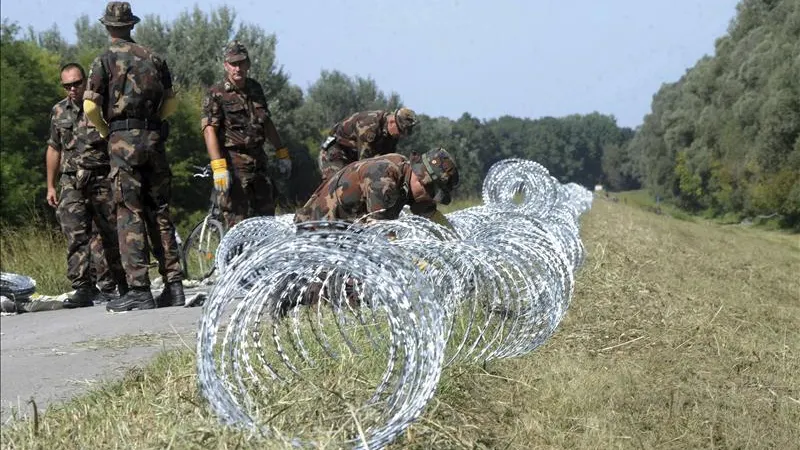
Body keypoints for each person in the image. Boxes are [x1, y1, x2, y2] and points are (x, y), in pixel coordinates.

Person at [83, 1, 185, 311]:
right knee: (160, 210)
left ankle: (140, 289)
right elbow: (171, 102)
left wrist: (104, 131)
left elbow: (89, 106)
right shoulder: (154, 58)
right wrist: (156, 123)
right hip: (153, 139)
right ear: (131, 25)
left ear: (107, 27)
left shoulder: (103, 60)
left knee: (129, 211)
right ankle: (174, 285)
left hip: (122, 139)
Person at [45, 62, 128, 308]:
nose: (72, 89)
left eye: (77, 83)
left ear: (86, 82)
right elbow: (53, 147)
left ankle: (121, 284)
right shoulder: (59, 112)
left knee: (111, 232)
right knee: (75, 234)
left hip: (101, 176)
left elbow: (117, 142)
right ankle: (82, 288)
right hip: (71, 180)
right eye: (67, 85)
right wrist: (50, 185)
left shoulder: (100, 107)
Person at [201, 40, 291, 228]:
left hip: (259, 161)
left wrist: (282, 152)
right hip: (234, 164)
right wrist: (218, 166)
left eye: (241, 63)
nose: (237, 68)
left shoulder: (255, 88)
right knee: (237, 221)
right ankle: (233, 257)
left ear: (248, 64)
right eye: (233, 64)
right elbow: (209, 130)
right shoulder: (216, 93)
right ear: (226, 65)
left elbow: (266, 121)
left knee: (266, 220)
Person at [294, 147, 459, 228]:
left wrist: (457, 250)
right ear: (420, 178)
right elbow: (380, 233)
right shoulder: (385, 175)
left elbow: (432, 217)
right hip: (319, 230)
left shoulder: (410, 183)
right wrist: (417, 265)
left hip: (345, 233)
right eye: (431, 192)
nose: (429, 198)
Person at [318, 108, 418, 184]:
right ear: (392, 121)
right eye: (400, 131)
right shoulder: (369, 125)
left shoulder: (392, 134)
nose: (401, 136)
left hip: (354, 156)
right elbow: (364, 163)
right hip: (336, 153)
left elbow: (388, 159)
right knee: (337, 185)